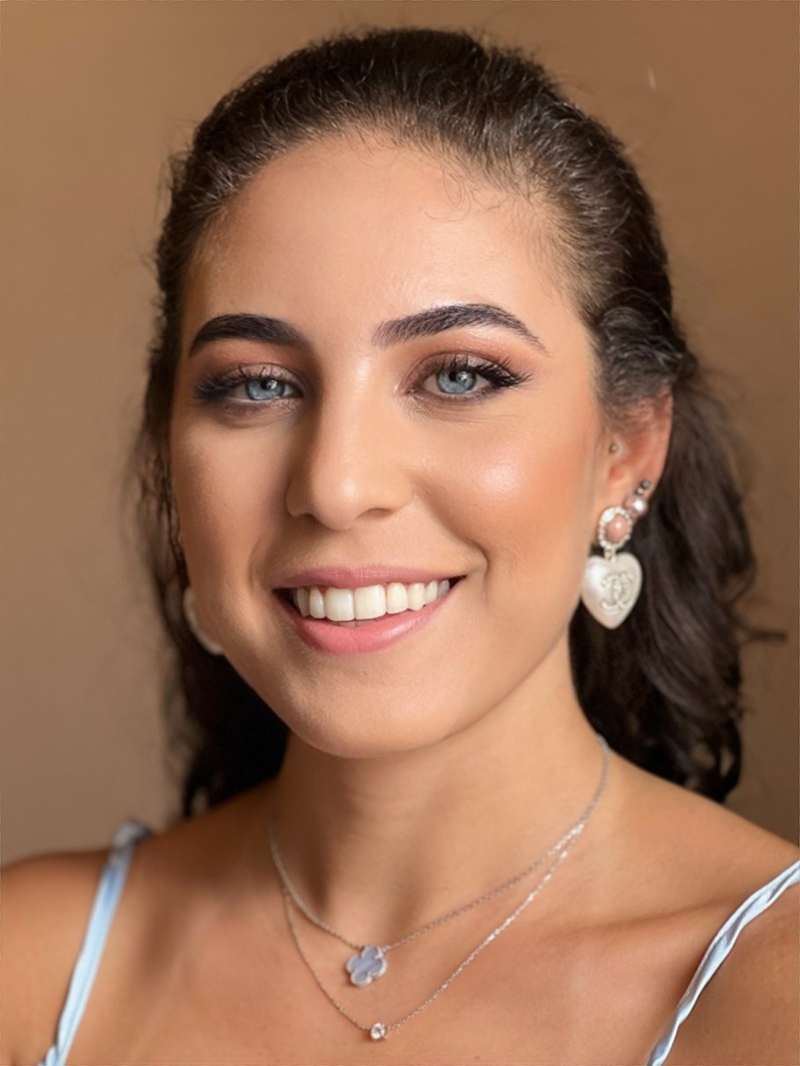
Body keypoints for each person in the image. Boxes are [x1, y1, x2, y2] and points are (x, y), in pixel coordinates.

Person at [3, 26, 798, 1066]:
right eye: (256, 384)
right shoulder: (29, 973)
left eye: (459, 375)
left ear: (626, 450)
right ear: (169, 454)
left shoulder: (770, 991)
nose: (336, 486)